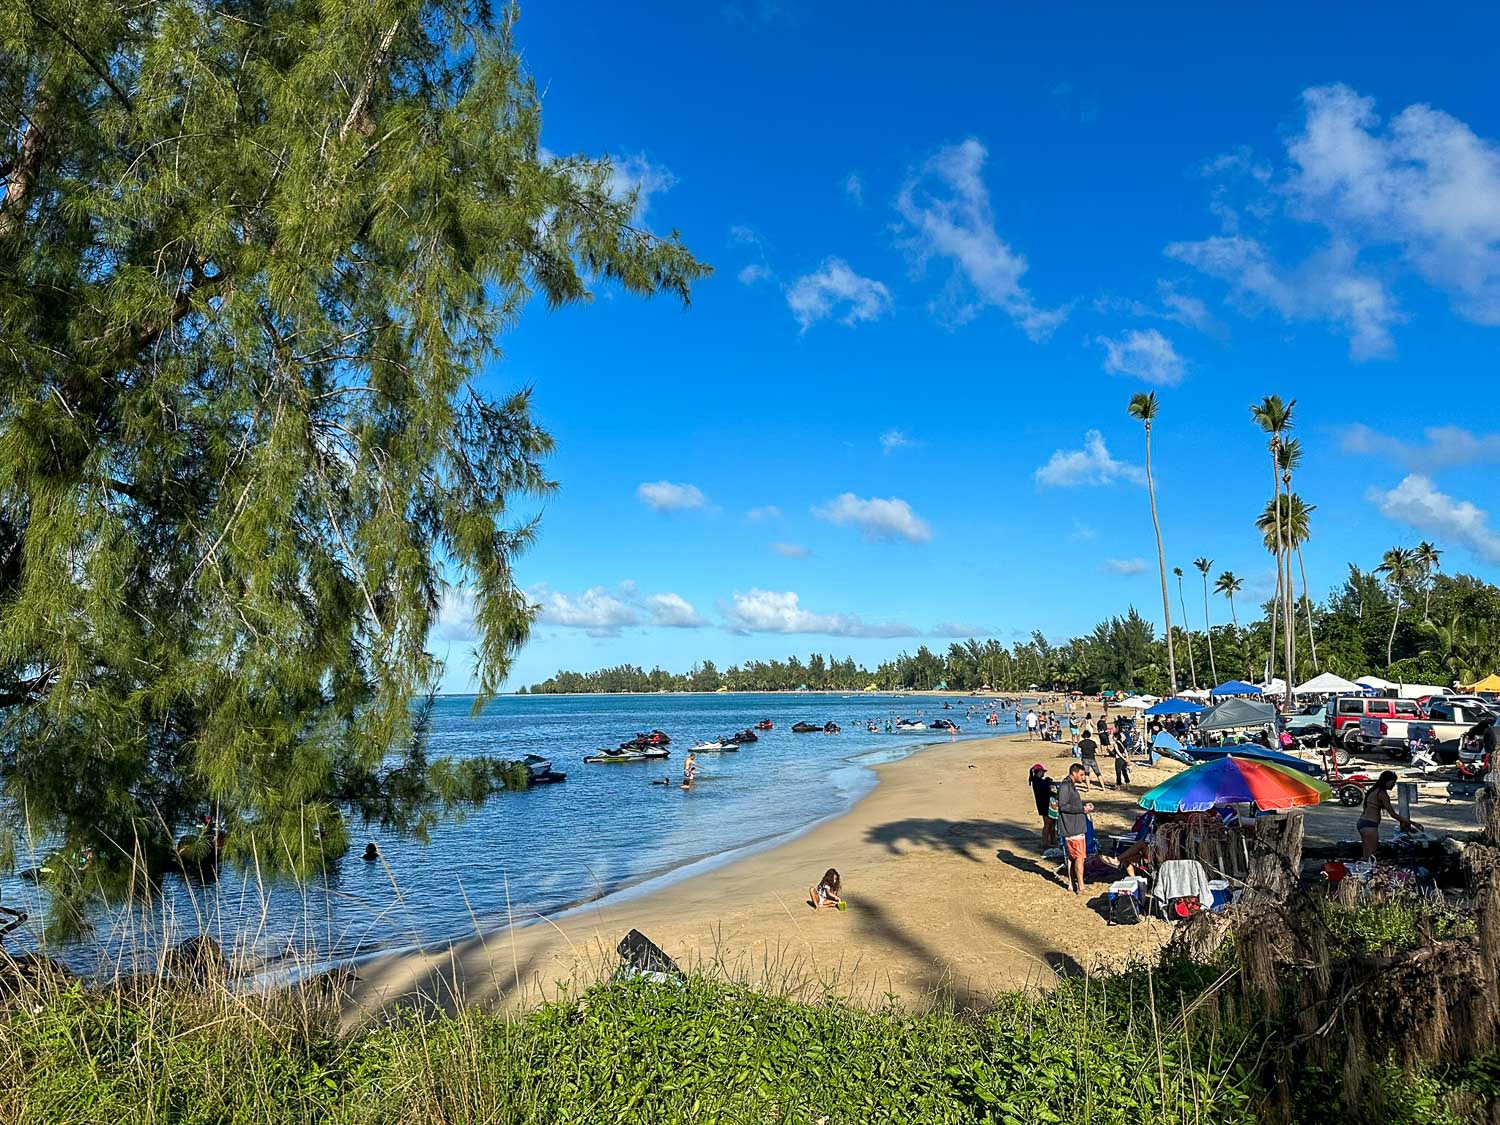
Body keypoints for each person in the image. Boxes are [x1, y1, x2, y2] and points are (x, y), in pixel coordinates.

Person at [1357, 771, 1422, 859]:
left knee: (1366, 855)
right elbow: (1393, 814)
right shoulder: (1382, 794)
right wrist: (1412, 823)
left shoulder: (1373, 790)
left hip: (1363, 822)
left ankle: (1361, 870)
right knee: (1373, 854)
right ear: (1387, 781)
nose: (1393, 785)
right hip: (1370, 826)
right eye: (1393, 782)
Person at [1056, 764, 1093, 895]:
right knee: (1079, 857)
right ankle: (1081, 886)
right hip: (1073, 828)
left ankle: (1072, 884)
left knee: (1072, 857)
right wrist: (1081, 810)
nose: (1083, 777)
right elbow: (1063, 806)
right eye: (1081, 775)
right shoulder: (1066, 786)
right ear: (1074, 773)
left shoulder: (1069, 785)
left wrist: (1083, 807)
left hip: (1073, 827)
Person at [1029, 764, 1057, 847]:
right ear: (1039, 772)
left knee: (1052, 823)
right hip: (1044, 804)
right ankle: (1045, 842)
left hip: (1045, 804)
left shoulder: (1037, 781)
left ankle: (1052, 840)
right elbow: (1045, 790)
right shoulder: (1037, 781)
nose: (1043, 773)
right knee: (1048, 823)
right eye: (1043, 771)